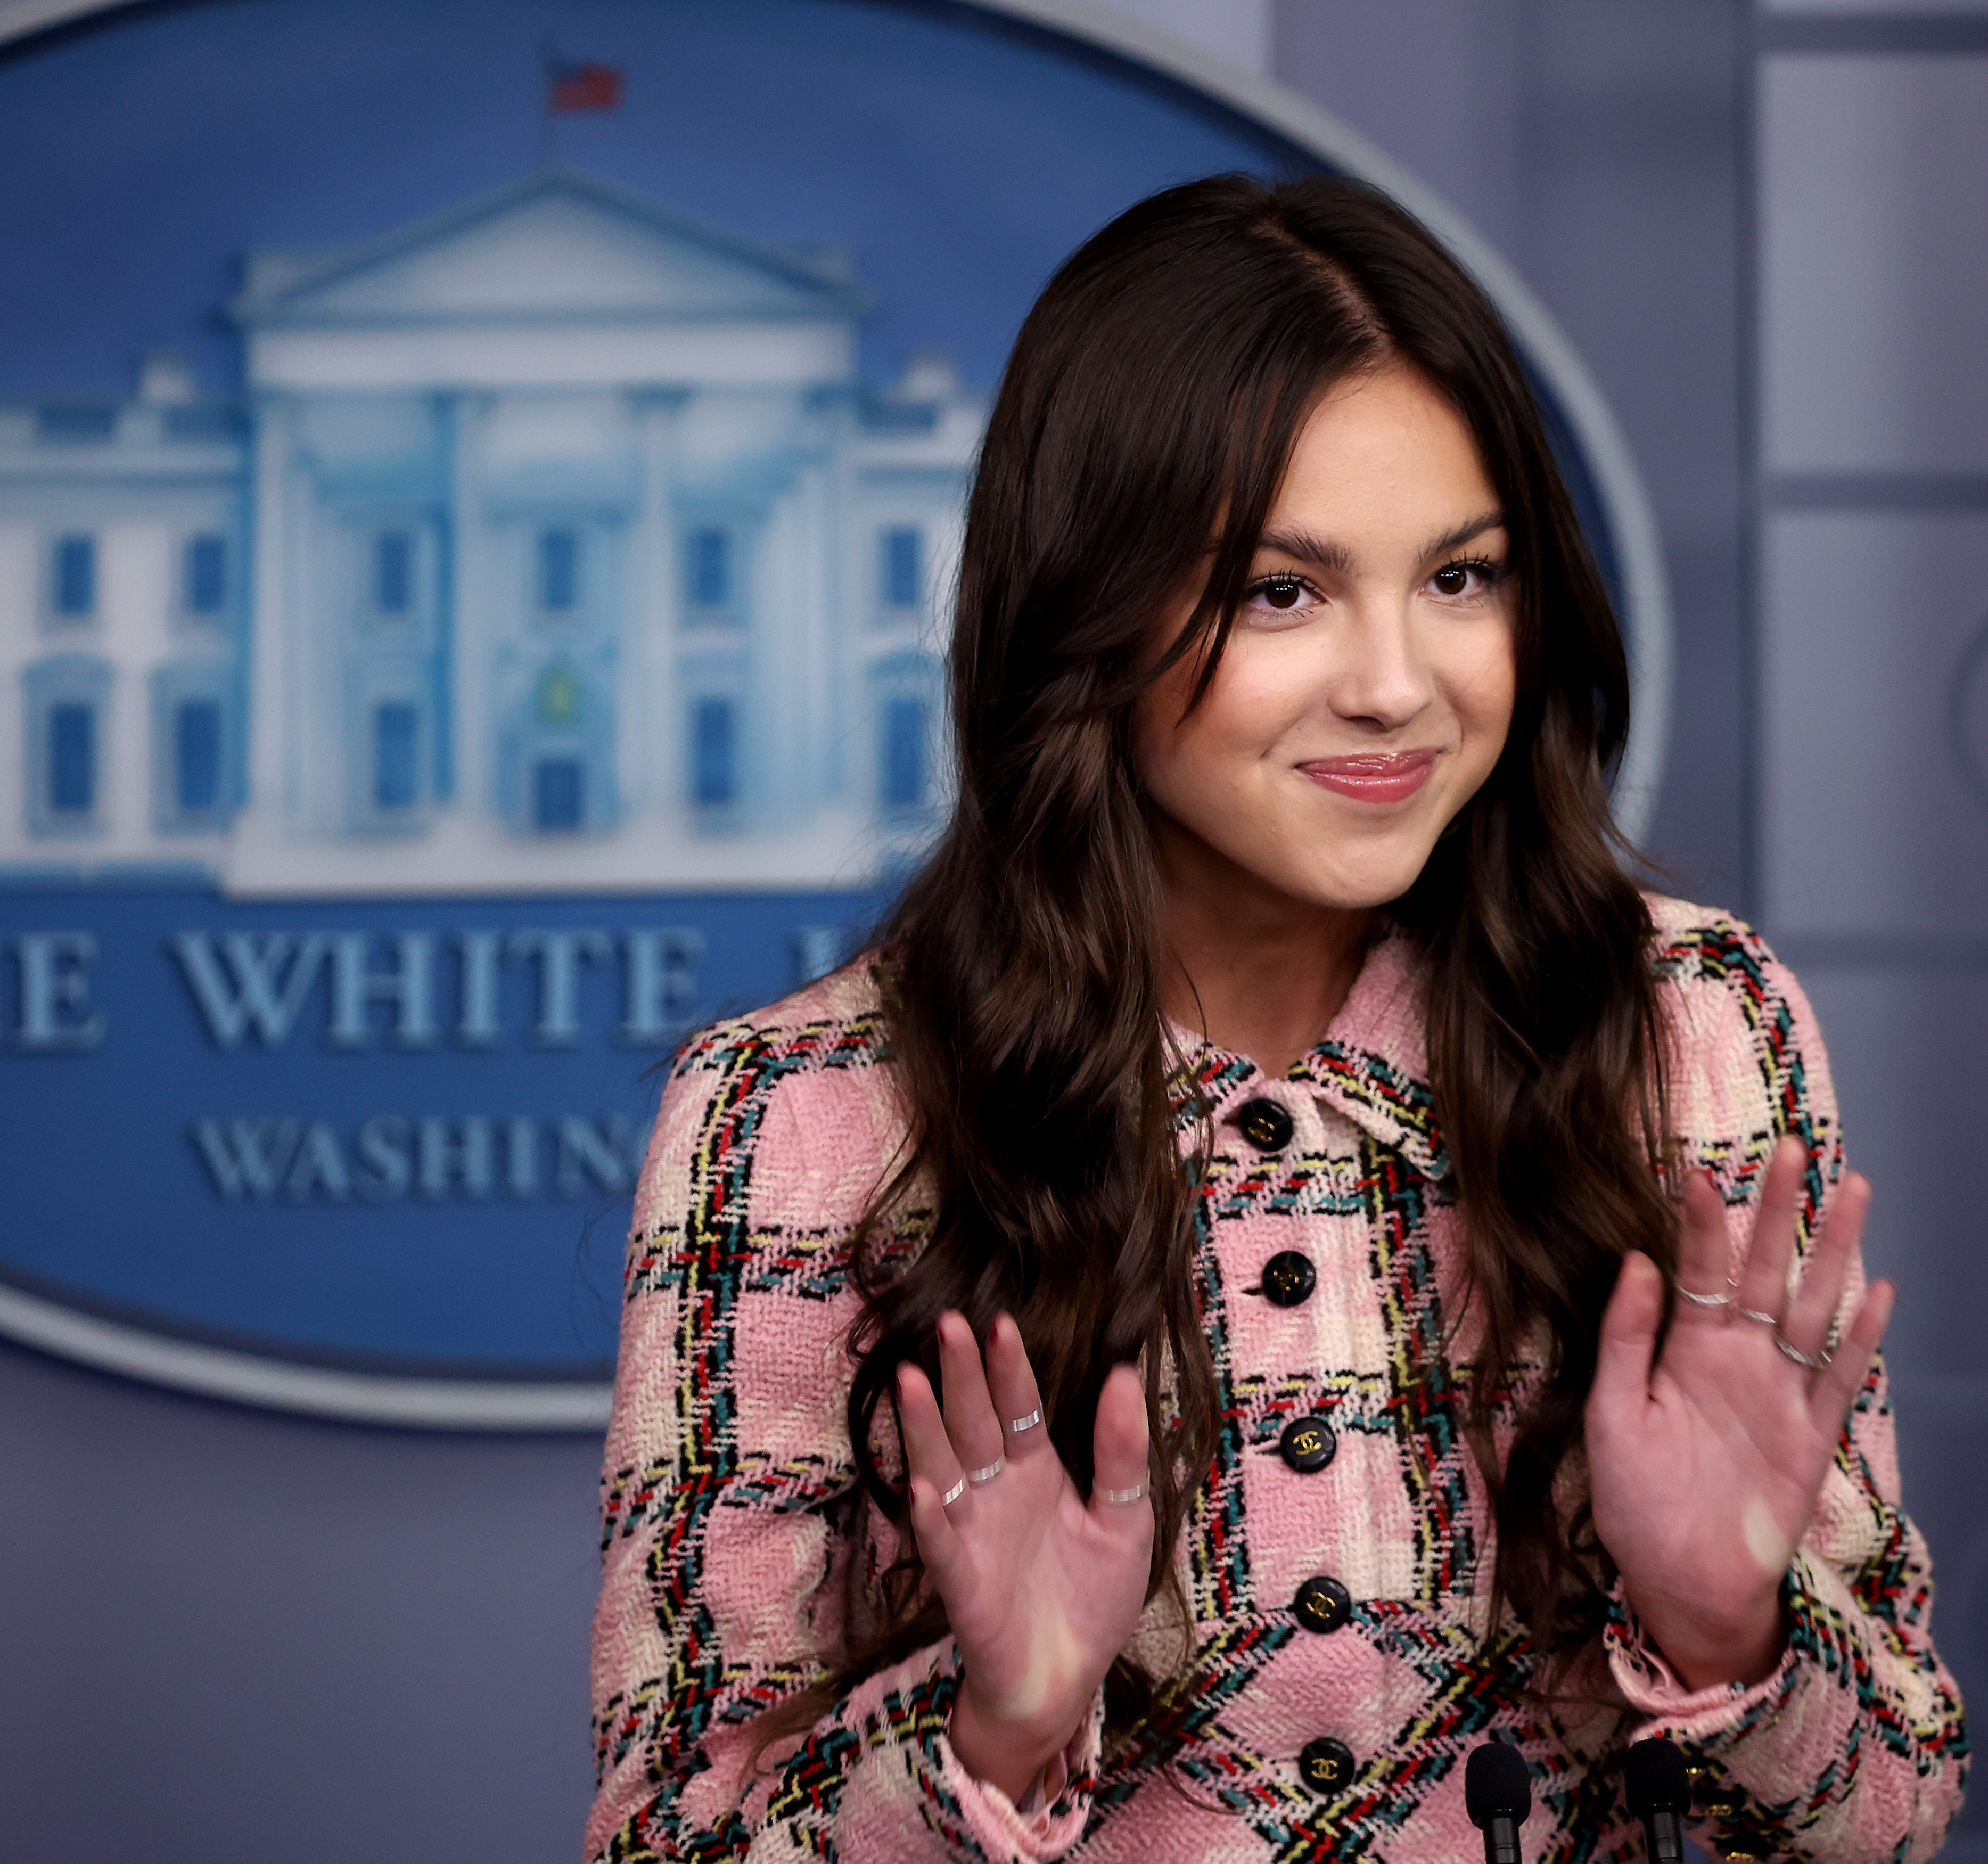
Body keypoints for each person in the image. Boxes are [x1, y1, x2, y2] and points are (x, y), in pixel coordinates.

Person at [585, 174, 1966, 1862]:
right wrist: (988, 1735)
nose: (1398, 682)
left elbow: (1893, 1827)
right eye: (1280, 592)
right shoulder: (796, 1116)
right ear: (1083, 611)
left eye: (1461, 579)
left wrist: (1735, 1631)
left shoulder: (1687, 1023)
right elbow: (668, 1845)